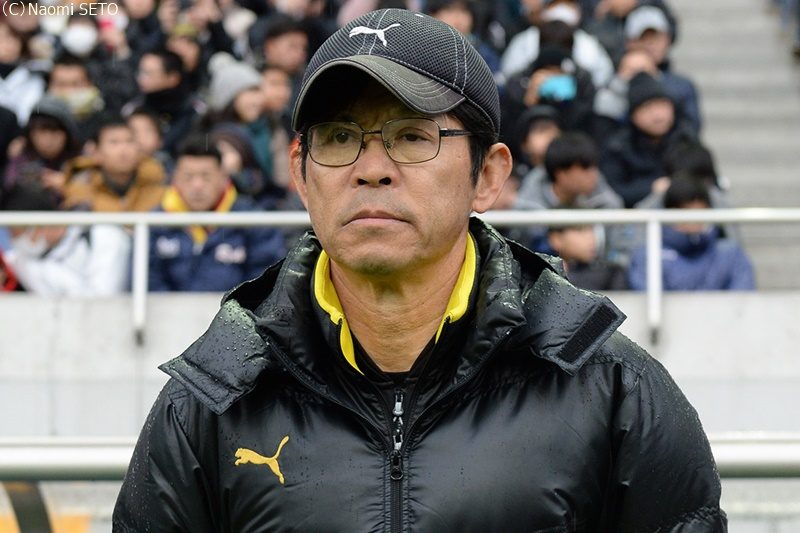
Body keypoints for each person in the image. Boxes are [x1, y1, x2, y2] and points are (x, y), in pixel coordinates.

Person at [114, 8, 726, 531]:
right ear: (300, 174)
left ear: (488, 175)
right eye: (339, 137)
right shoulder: (212, 401)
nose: (371, 169)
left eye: (411, 136)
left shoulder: (610, 387)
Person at [147, 137, 285, 292]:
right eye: (188, 177)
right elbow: (148, 280)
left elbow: (265, 280)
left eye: (206, 176)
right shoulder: (155, 222)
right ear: (175, 178)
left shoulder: (252, 220)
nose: (197, 185)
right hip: (167, 308)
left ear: (223, 177)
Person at [628, 175, 756, 291]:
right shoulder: (648, 255)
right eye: (685, 213)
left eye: (699, 213)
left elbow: (743, 300)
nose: (693, 222)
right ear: (669, 212)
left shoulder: (731, 254)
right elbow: (643, 297)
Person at [1, 183, 131, 297]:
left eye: (16, 235)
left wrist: (38, 270)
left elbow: (101, 301)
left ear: (41, 226)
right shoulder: (23, 260)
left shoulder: (106, 237)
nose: (14, 241)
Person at [62, 117, 166, 212]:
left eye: (130, 141)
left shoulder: (158, 180)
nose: (123, 150)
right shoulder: (81, 186)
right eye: (114, 142)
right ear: (96, 151)